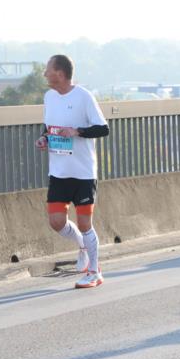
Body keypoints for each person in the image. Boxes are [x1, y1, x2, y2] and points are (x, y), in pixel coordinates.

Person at [35, 54, 111, 288]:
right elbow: (49, 127)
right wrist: (44, 138)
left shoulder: (83, 96)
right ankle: (82, 246)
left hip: (83, 172)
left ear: (59, 73)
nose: (45, 74)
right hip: (59, 170)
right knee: (56, 222)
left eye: (48, 69)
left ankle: (95, 271)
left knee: (85, 222)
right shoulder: (49, 97)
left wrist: (76, 132)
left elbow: (103, 129)